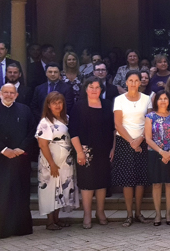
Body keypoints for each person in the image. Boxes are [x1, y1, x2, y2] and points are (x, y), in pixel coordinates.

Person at [0, 83, 36, 238]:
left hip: (20, 161)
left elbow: (32, 131)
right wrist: (5, 150)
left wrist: (20, 149)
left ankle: (21, 228)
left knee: (20, 194)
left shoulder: (25, 110)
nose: (9, 95)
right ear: (0, 94)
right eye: (6, 92)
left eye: (12, 92)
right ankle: (0, 229)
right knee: (0, 196)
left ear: (16, 95)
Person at [69, 77, 114, 229]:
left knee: (102, 182)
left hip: (104, 150)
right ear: (86, 89)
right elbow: (73, 131)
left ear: (101, 89)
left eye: (97, 87)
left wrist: (113, 148)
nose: (94, 90)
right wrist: (79, 152)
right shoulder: (79, 106)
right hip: (85, 150)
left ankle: (100, 212)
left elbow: (113, 129)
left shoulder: (107, 105)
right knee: (87, 183)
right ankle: (87, 213)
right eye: (91, 87)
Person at [112, 70, 152, 226]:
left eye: (137, 80)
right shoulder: (119, 100)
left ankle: (138, 213)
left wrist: (140, 139)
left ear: (140, 82)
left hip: (142, 141)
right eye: (131, 80)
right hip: (124, 142)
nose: (134, 83)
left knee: (140, 179)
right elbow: (118, 123)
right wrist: (131, 141)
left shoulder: (147, 99)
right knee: (127, 180)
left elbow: (149, 121)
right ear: (126, 82)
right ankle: (129, 215)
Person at [35, 92, 79, 230]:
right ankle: (50, 222)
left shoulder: (66, 118)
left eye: (60, 102)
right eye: (54, 103)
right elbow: (42, 145)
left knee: (61, 189)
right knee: (50, 189)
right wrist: (52, 164)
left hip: (65, 163)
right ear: (48, 105)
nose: (57, 105)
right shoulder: (45, 122)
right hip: (51, 162)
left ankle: (57, 219)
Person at [144, 91, 170, 226]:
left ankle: (168, 213)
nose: (163, 101)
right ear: (156, 101)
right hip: (155, 153)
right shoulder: (150, 117)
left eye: (165, 98)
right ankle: (158, 214)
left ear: (169, 101)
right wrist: (161, 152)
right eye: (160, 99)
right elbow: (148, 138)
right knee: (157, 184)